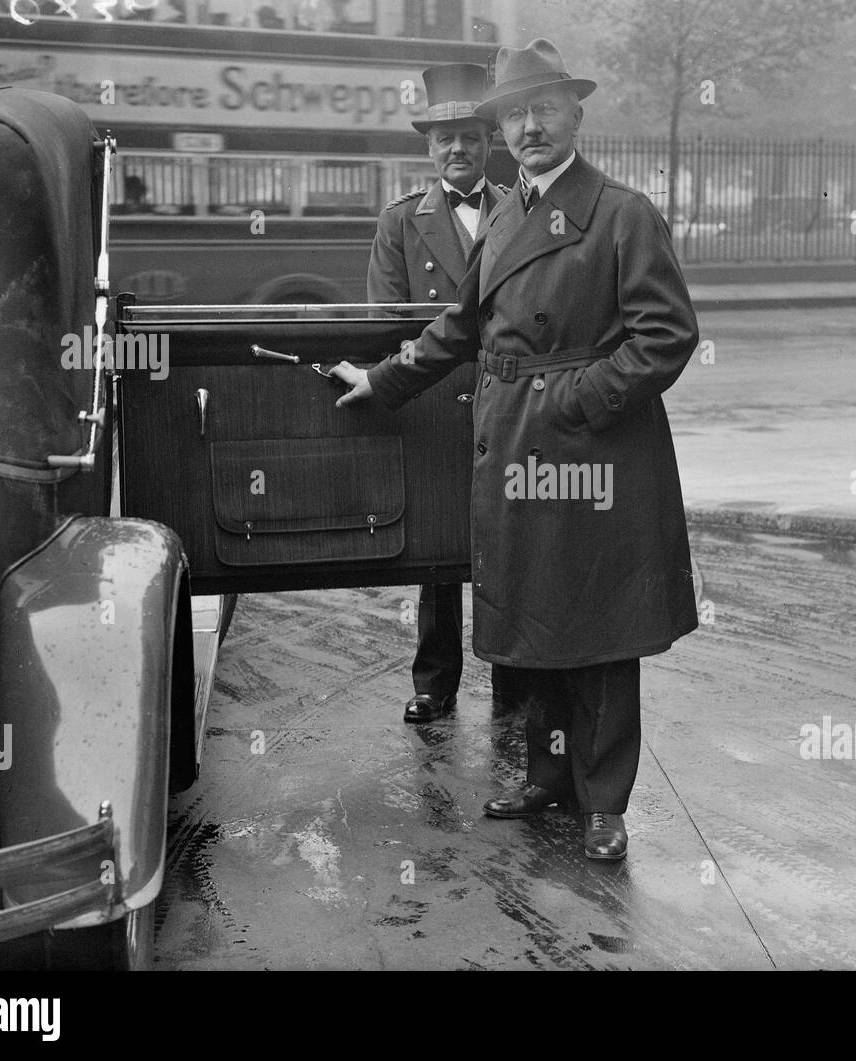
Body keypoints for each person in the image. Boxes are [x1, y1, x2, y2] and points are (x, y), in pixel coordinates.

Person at [332, 38, 699, 861]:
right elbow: (460, 326)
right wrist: (385, 379)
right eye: (516, 115)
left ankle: (604, 801)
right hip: (514, 442)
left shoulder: (621, 212)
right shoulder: (506, 212)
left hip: (589, 448)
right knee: (530, 612)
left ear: (575, 115)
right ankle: (546, 774)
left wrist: (573, 400)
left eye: (544, 110)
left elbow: (667, 338)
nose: (529, 126)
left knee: (597, 620)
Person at [367, 63, 511, 725]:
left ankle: (517, 679)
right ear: (429, 148)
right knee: (434, 548)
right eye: (445, 138)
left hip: (506, 403)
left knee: (510, 542)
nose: (459, 149)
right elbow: (386, 323)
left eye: (472, 136)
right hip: (432, 398)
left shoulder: (523, 211)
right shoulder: (401, 222)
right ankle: (435, 680)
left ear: (490, 143)